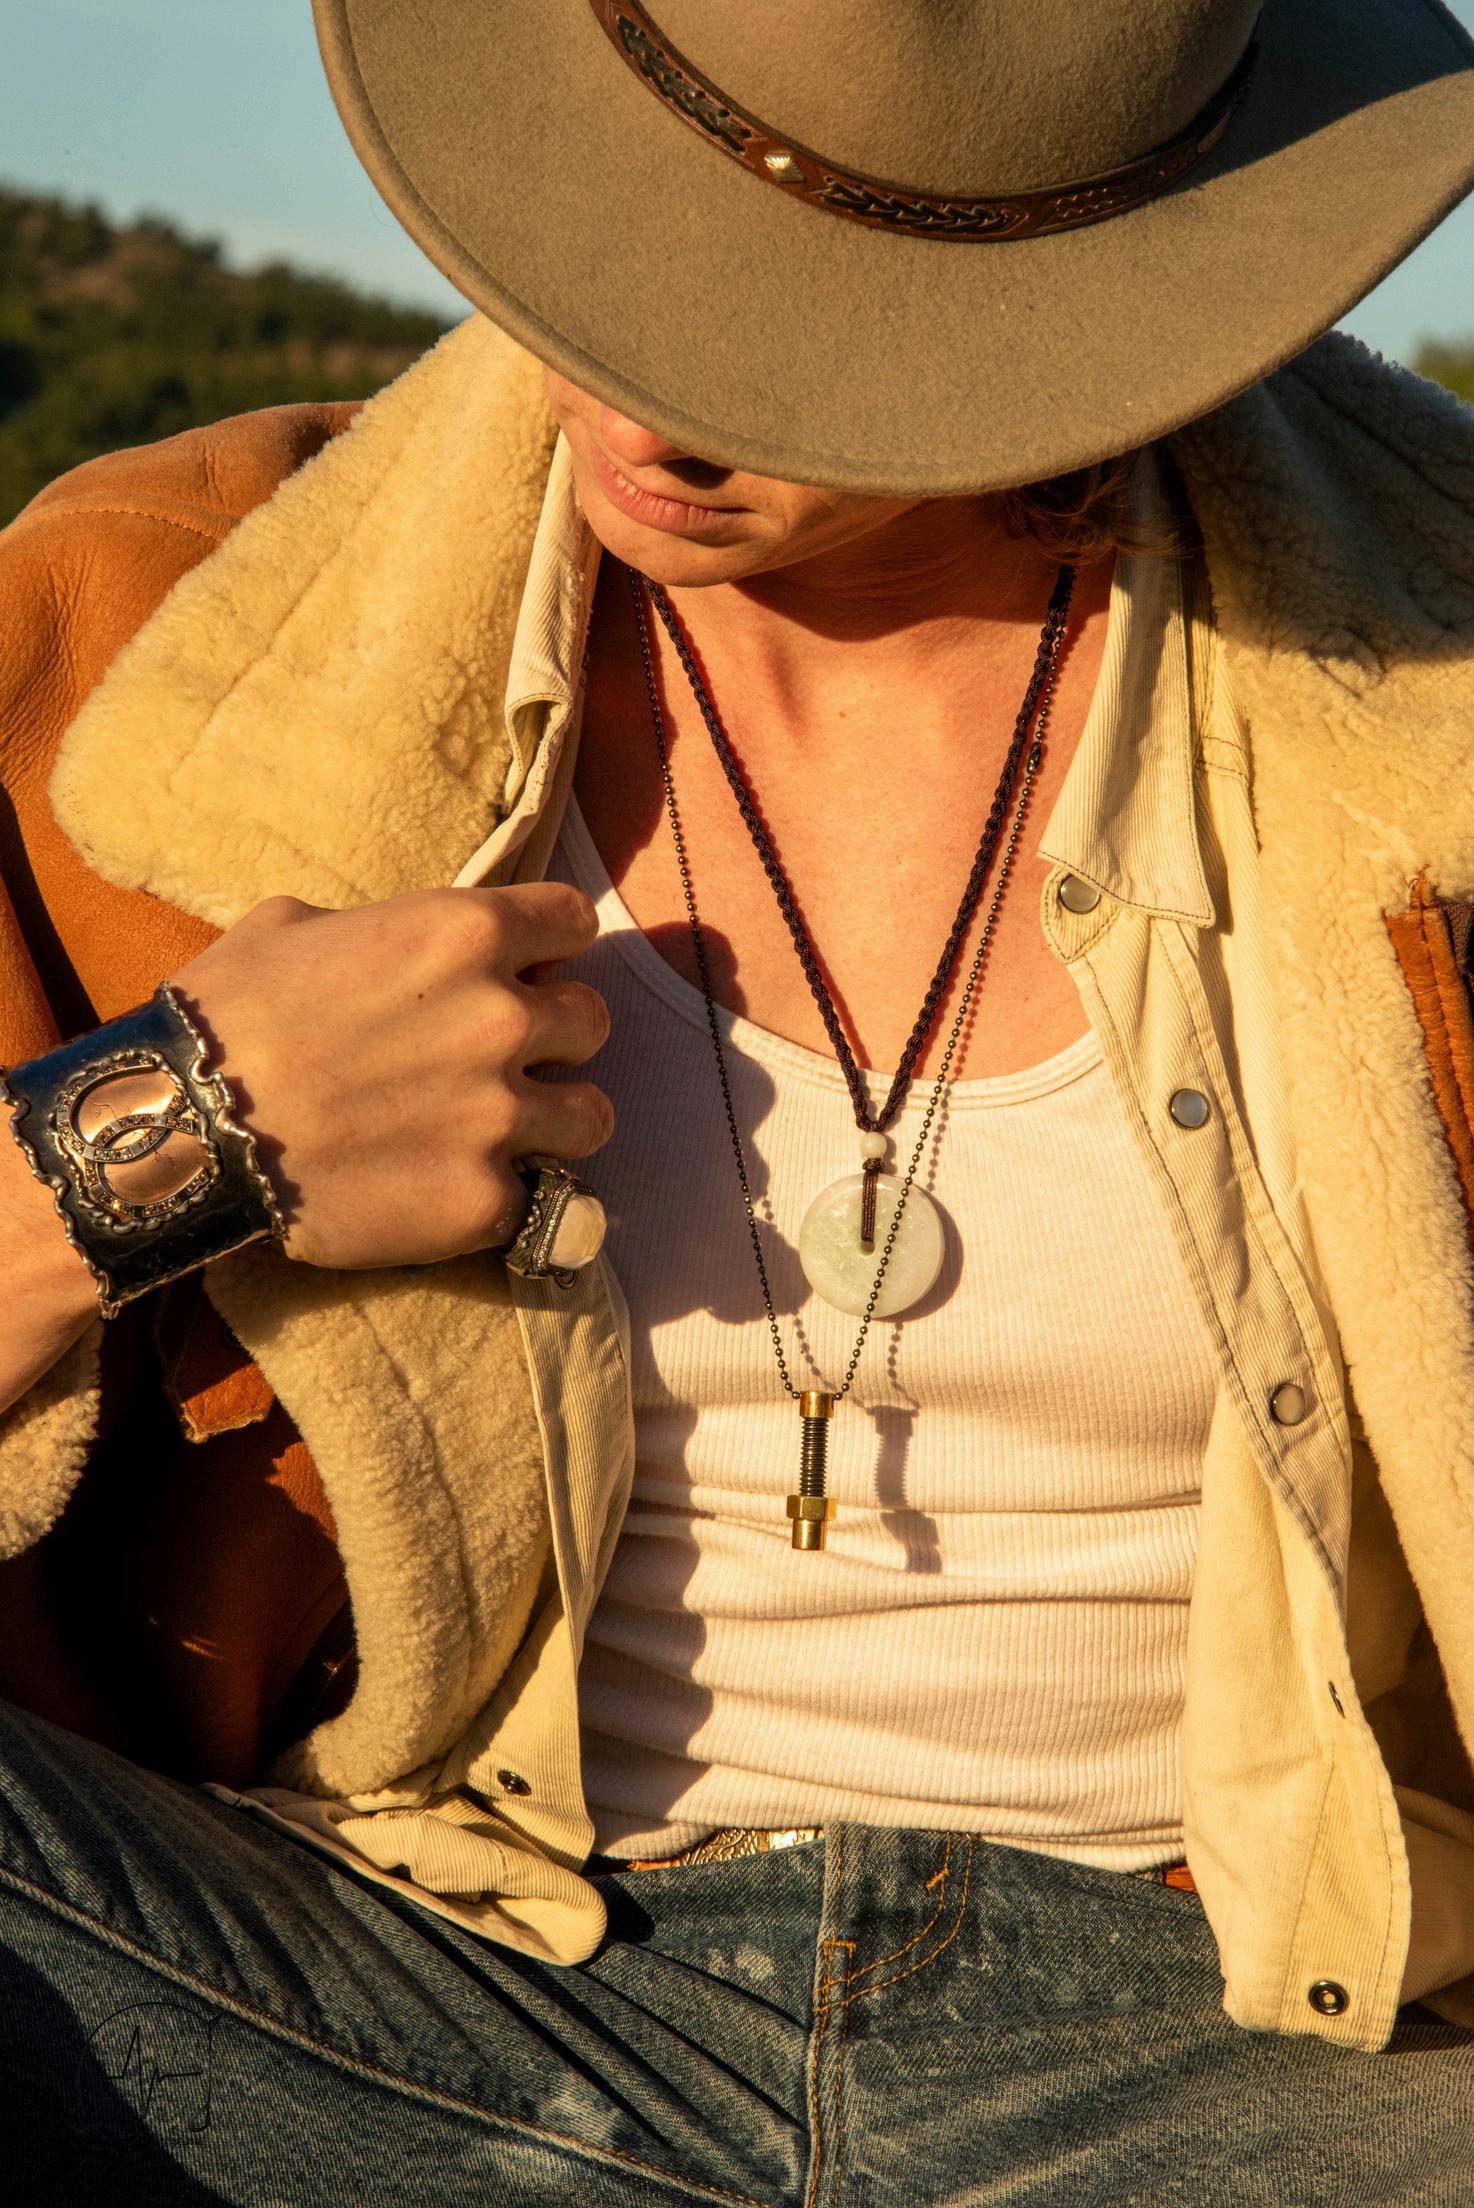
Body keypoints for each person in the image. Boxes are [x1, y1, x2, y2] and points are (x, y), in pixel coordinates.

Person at [4, 0, 1474, 2197]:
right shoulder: (151, 629)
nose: (645, 399)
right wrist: (164, 1135)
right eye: (612, 240)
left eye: (797, 324)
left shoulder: (1431, 695)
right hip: (401, 1975)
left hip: (1261, 2044)